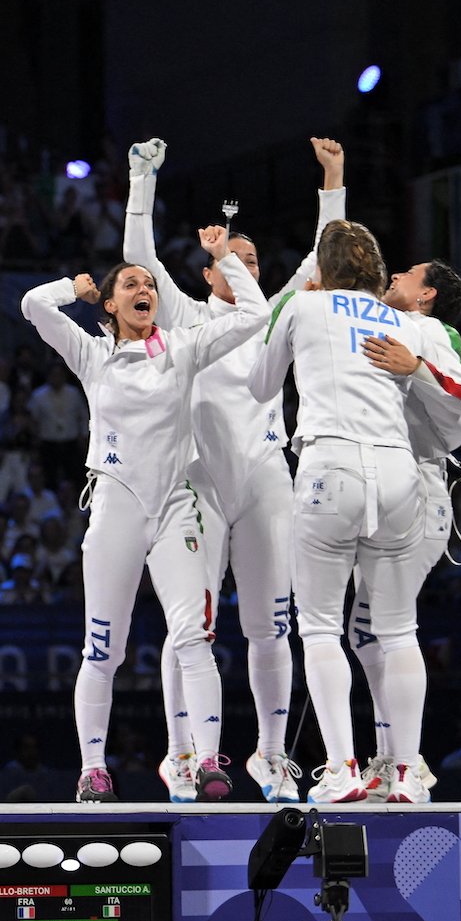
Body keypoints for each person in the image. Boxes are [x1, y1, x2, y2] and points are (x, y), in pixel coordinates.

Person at [123, 136, 345, 803]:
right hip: (200, 484)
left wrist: (332, 178)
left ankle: (271, 757)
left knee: (272, 626)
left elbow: (320, 256)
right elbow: (139, 257)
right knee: (192, 625)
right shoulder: (186, 315)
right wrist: (143, 180)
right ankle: (181, 753)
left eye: (251, 257)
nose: (243, 262)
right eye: (231, 257)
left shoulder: (277, 311)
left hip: (266, 481)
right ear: (209, 272)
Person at [20, 225, 267, 802]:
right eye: (130, 282)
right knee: (103, 647)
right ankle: (92, 770)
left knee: (194, 637)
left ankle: (207, 761)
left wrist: (225, 259)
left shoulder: (185, 346)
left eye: (150, 283)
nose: (144, 287)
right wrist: (72, 288)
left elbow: (254, 315)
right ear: (110, 304)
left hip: (179, 505)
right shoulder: (93, 353)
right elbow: (33, 305)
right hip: (118, 505)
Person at [248, 219, 425, 804]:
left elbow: (260, 384)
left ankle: (343, 769)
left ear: (321, 269)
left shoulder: (303, 306)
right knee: (399, 632)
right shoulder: (403, 320)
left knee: (321, 626)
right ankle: (404, 774)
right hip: (399, 470)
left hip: (331, 468)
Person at [351, 254, 461, 803]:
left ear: (425, 294)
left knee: (394, 629)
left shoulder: (432, 331)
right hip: (380, 494)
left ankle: (408, 764)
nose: (394, 276)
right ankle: (389, 756)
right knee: (364, 631)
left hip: (421, 492)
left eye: (406, 274)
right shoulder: (390, 325)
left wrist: (417, 369)